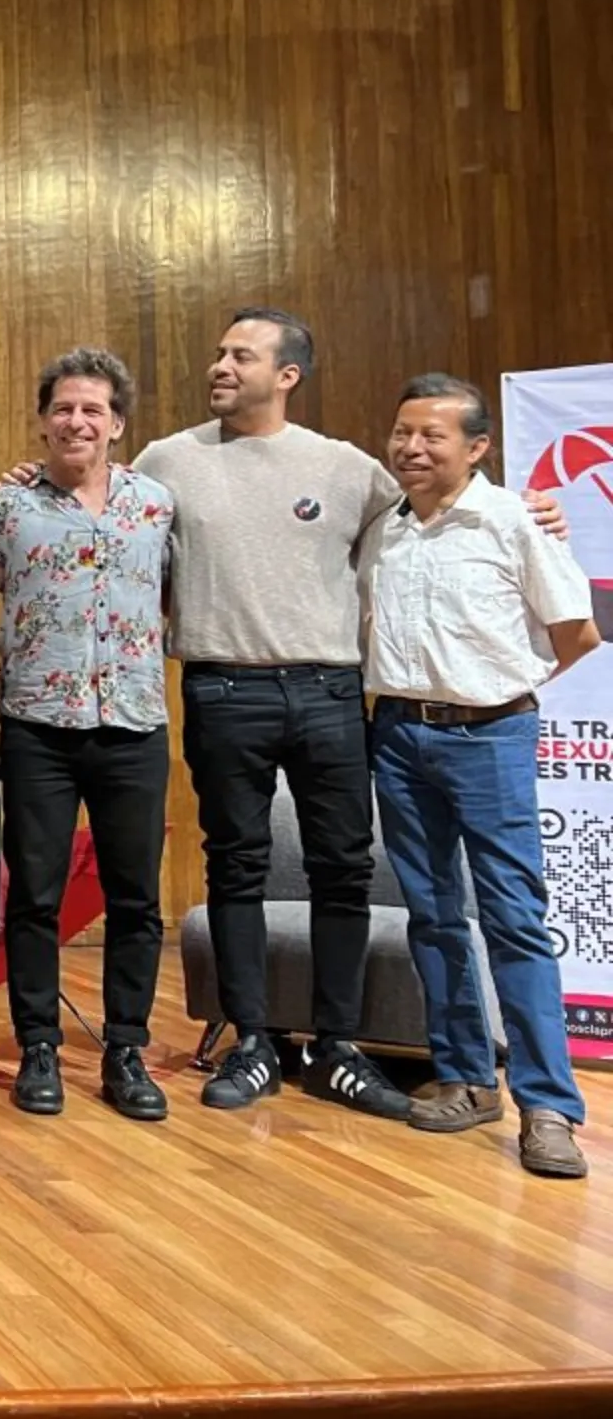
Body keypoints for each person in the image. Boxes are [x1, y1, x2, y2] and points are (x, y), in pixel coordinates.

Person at [137, 308, 556, 1117]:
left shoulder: (349, 469)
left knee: (343, 869)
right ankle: (253, 1039)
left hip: (332, 691)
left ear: (286, 375)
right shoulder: (168, 460)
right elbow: (114, 527)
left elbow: (443, 509)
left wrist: (531, 513)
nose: (220, 366)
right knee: (236, 866)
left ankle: (335, 1046)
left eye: (240, 356)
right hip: (222, 690)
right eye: (219, 353)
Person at [364, 374, 599, 1180]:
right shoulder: (384, 528)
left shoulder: (512, 519)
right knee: (431, 916)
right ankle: (466, 1077)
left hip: (490, 733)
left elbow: (576, 633)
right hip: (398, 734)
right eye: (402, 433)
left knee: (513, 920)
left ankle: (549, 1107)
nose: (412, 448)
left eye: (432, 436)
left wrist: (505, 691)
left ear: (477, 448)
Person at [0, 347, 174, 1123]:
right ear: (43, 420)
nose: (77, 421)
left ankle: (125, 1047)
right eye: (63, 408)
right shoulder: (8, 508)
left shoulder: (157, 505)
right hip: (36, 725)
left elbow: (177, 597)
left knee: (136, 897)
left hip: (132, 722)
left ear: (117, 424)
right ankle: (38, 1048)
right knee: (34, 894)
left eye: (93, 409)